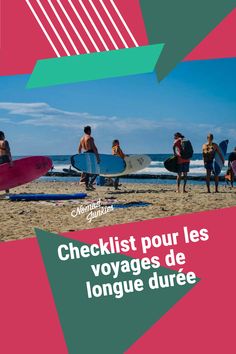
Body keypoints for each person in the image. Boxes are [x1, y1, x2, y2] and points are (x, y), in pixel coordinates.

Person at [78, 126, 100, 191]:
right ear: (89, 131)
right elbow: (94, 148)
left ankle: (87, 186)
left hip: (85, 154)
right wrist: (97, 158)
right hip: (91, 153)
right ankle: (90, 183)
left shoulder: (81, 139)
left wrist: (80, 157)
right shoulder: (90, 138)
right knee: (97, 170)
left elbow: (79, 149)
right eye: (90, 130)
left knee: (87, 171)